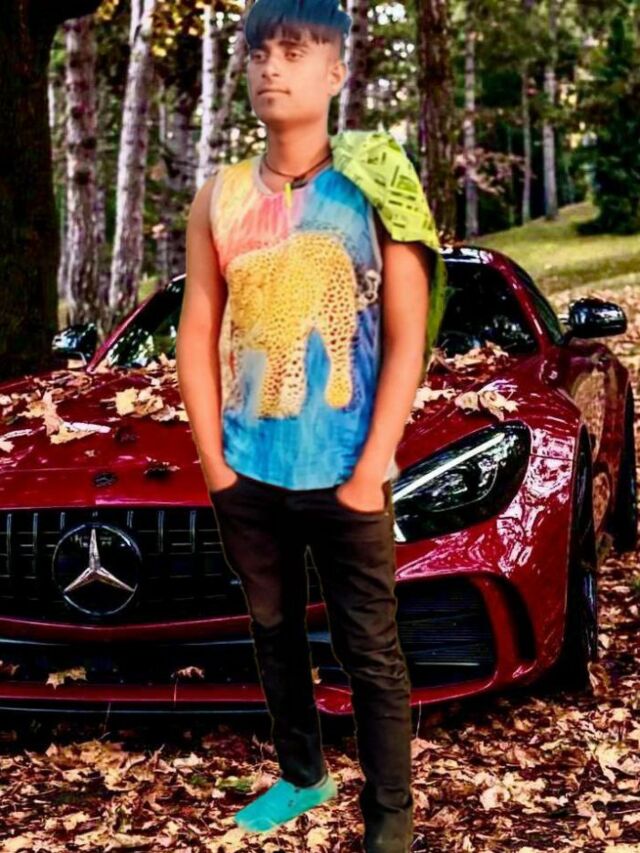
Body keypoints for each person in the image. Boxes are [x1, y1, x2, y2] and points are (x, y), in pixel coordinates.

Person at [177, 1, 436, 850]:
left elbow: (407, 335)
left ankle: (390, 819)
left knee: (371, 648)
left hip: (348, 466)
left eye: (294, 51)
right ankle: (302, 772)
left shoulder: (376, 183)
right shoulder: (219, 197)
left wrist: (371, 466)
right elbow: (197, 330)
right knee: (273, 627)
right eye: (259, 52)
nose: (271, 67)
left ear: (335, 72)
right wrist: (216, 463)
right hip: (250, 464)